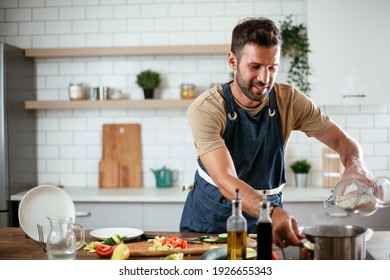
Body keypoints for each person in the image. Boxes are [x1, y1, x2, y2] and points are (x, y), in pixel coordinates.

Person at [179, 17, 373, 248]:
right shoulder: (207, 108)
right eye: (255, 67)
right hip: (208, 227)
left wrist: (355, 164)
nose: (265, 78)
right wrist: (271, 211)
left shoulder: (289, 100)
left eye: (272, 67)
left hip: (265, 226)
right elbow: (225, 179)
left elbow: (342, 141)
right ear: (232, 60)